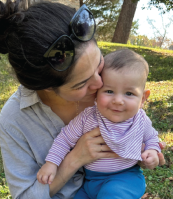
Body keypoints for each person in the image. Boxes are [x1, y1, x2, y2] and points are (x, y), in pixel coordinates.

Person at [0, 0, 165, 199]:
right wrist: (74, 159)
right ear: (48, 88)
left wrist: (141, 152)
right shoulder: (15, 119)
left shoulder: (112, 86)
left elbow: (141, 132)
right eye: (82, 84)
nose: (99, 84)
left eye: (99, 64)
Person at [37, 49, 160, 199]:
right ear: (96, 93)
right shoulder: (88, 118)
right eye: (109, 91)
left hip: (125, 178)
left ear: (143, 98)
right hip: (91, 182)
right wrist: (51, 163)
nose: (118, 100)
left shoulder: (140, 119)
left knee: (111, 194)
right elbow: (64, 139)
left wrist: (152, 151)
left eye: (129, 94)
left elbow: (152, 138)